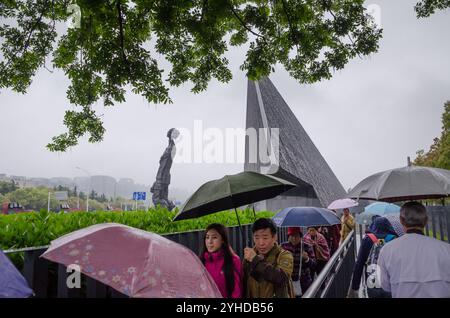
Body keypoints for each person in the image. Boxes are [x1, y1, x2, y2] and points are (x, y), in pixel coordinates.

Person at [378, 202, 450, 298]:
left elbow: (385, 286)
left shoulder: (387, 250)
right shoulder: (446, 249)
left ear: (401, 220)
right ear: (426, 220)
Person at [242, 218, 295, 298]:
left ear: (274, 237)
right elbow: (243, 282)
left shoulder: (284, 255)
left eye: (265, 238)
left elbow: (282, 278)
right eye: (256, 238)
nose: (261, 243)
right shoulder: (249, 256)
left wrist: (256, 260)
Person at [347, 217, 397, 298]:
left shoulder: (367, 239)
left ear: (374, 226)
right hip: (390, 284)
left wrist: (355, 286)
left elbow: (359, 263)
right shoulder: (394, 239)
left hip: (372, 283)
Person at [200, 223, 242, 298]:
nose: (210, 241)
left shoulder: (233, 260)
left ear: (223, 240)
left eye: (214, 237)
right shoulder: (201, 261)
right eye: (207, 237)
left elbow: (237, 292)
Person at [281, 227, 316, 297]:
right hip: (288, 282)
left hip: (304, 282)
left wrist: (307, 259)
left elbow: (314, 265)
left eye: (296, 236)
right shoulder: (283, 247)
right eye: (291, 236)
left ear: (300, 236)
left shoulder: (306, 247)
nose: (294, 238)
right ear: (288, 236)